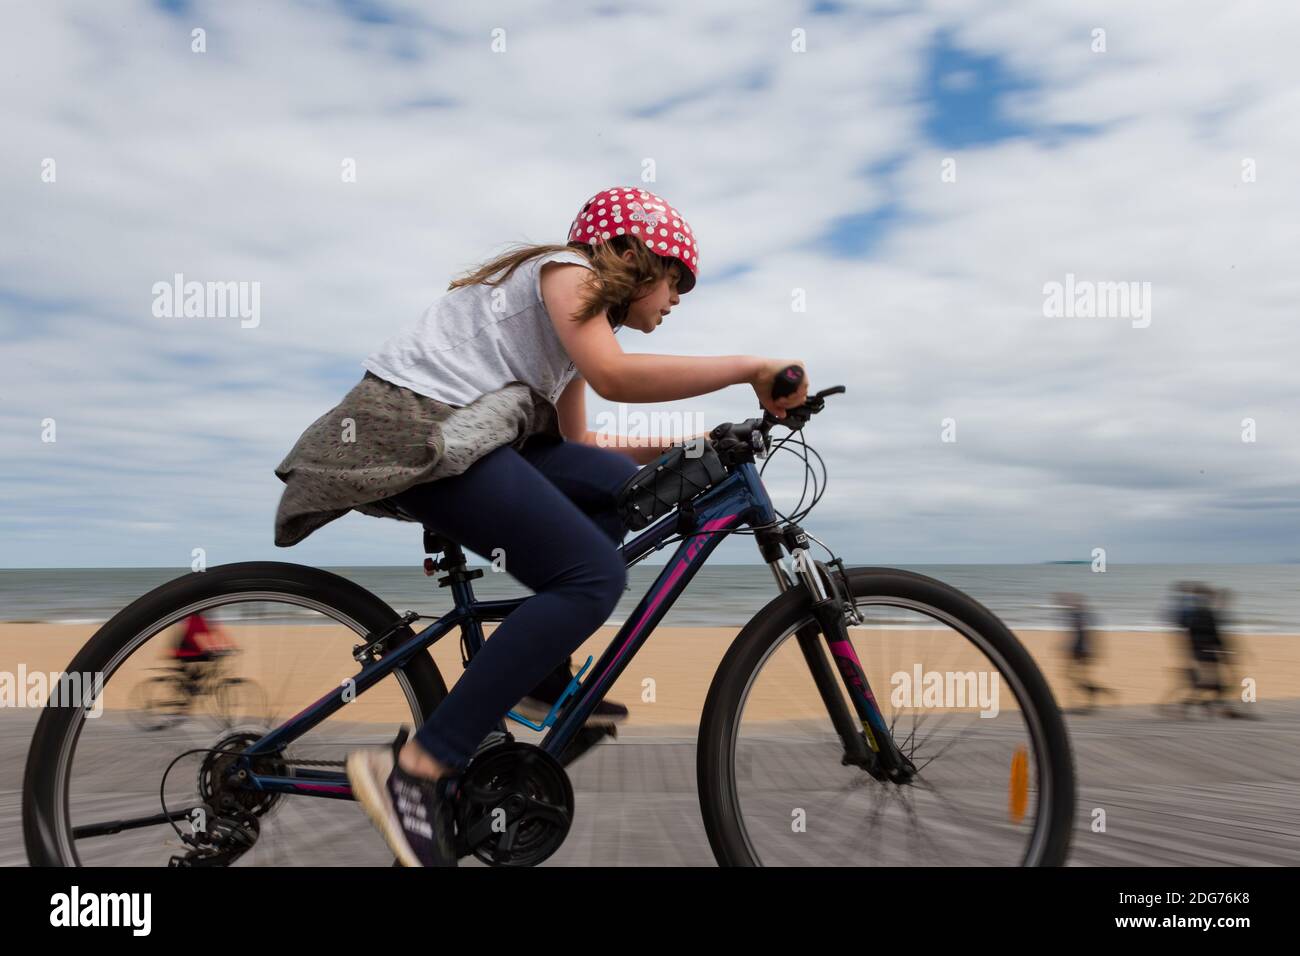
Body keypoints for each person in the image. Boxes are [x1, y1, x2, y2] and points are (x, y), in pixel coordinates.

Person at [272, 186, 808, 866]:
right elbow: (614, 377)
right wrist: (751, 369)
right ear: (634, 257)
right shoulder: (566, 271)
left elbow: (587, 445)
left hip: (472, 438)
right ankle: (416, 768)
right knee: (592, 579)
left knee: (621, 492)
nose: (676, 300)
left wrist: (700, 442)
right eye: (676, 281)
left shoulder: (569, 338)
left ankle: (538, 679)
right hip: (421, 432)